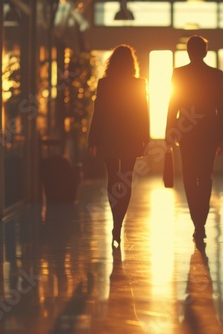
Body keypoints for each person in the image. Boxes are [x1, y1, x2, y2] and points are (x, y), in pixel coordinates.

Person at [166, 35, 223, 243]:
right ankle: (201, 218)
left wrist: (170, 131)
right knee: (206, 176)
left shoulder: (179, 74)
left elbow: (173, 104)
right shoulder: (216, 75)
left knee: (190, 176)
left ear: (188, 52)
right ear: (205, 52)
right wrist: (222, 137)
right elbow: (222, 108)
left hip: (187, 133)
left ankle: (197, 222)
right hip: (209, 132)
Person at [88, 45, 150, 247]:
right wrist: (146, 138)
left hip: (109, 136)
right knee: (126, 179)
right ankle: (118, 223)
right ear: (132, 64)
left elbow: (98, 113)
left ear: (111, 63)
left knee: (112, 178)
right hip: (131, 136)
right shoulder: (139, 83)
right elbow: (143, 111)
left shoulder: (105, 84)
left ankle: (116, 220)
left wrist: (93, 139)